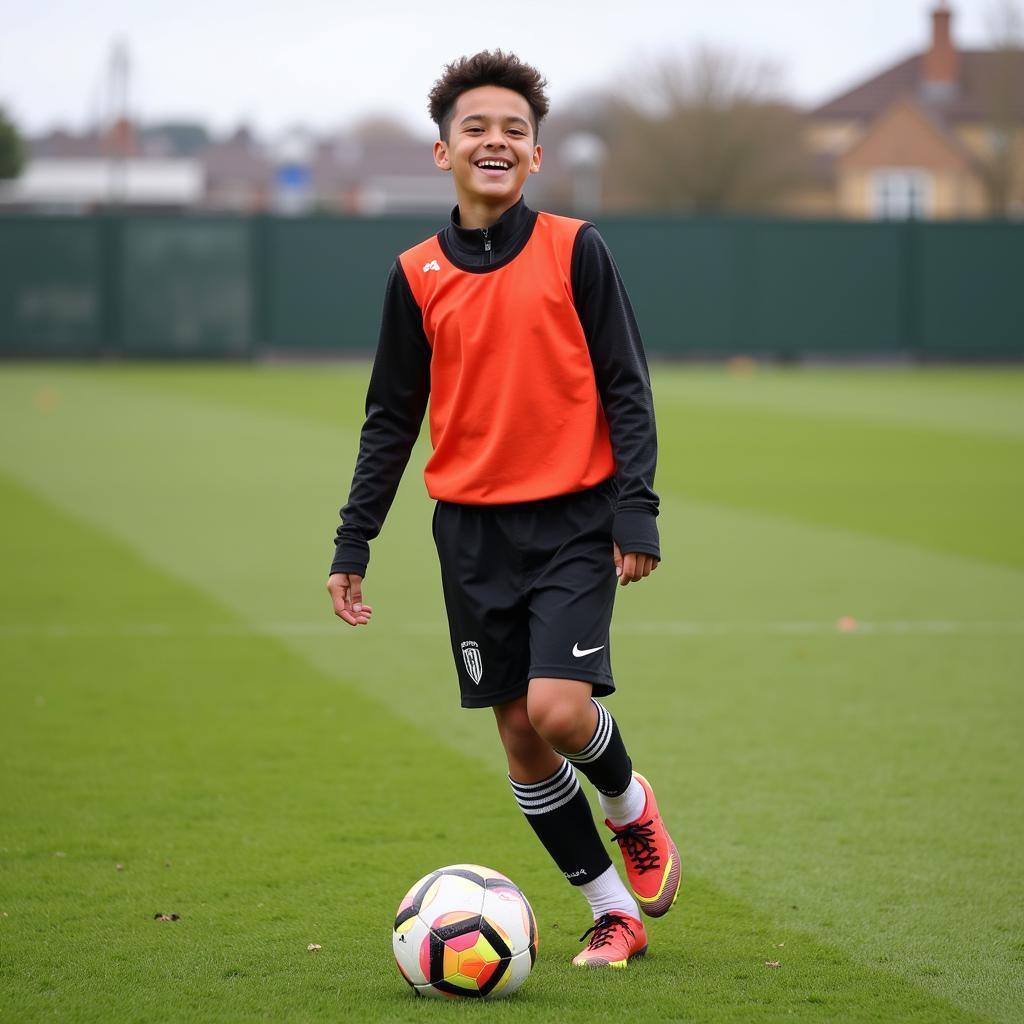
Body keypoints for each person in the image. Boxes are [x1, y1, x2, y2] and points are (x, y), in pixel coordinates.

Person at [327, 49, 680, 969]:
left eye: (514, 130)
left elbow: (627, 390)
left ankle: (631, 807)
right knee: (521, 738)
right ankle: (614, 914)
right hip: (471, 536)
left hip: (572, 519)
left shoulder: (577, 249)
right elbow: (391, 417)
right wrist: (353, 537)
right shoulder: (415, 275)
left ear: (536, 154)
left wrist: (635, 511)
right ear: (442, 152)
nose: (495, 141)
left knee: (561, 713)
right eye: (475, 128)